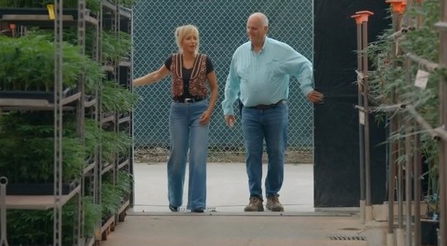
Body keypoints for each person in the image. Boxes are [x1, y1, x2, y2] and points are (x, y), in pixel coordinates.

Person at [221, 12, 323, 212]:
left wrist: (306, 88)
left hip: (276, 111)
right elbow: (232, 82)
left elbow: (304, 65)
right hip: (249, 112)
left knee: (276, 152)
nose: (250, 32)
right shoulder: (240, 53)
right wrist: (228, 107)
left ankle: (273, 196)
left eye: (254, 28)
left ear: (265, 29)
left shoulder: (280, 50)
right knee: (252, 154)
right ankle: (255, 198)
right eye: (248, 27)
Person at [133, 24, 218, 213]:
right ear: (181, 41)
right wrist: (132, 83)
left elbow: (214, 88)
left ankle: (197, 203)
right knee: (177, 155)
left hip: (199, 111)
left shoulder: (205, 61)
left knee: (197, 155)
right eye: (188, 38)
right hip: (178, 111)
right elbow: (156, 75)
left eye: (195, 38)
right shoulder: (173, 60)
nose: (193, 41)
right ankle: (175, 199)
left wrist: (209, 110)